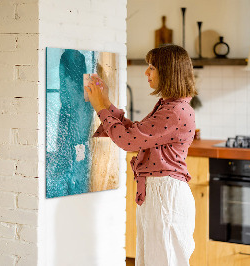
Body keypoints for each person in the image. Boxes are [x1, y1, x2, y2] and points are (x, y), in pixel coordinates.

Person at [84, 44, 197, 266]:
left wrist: (100, 108)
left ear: (168, 71)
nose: (146, 72)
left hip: (165, 195)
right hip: (159, 193)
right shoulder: (170, 106)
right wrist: (106, 103)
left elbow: (128, 141)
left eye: (152, 67)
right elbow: (136, 133)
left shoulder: (174, 111)